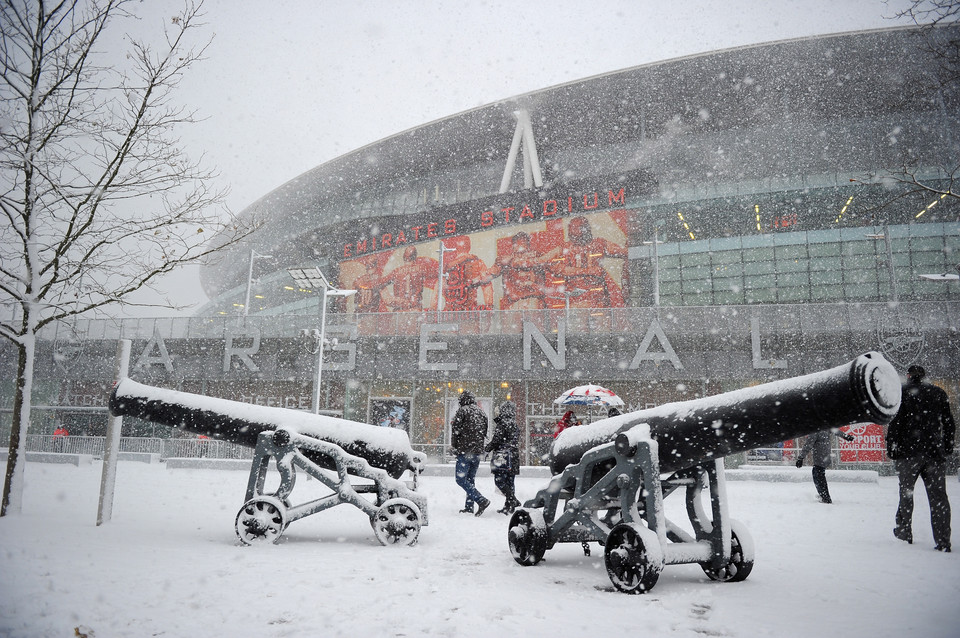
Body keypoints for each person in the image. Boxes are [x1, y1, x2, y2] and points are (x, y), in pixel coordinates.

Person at [886, 364, 955, 552]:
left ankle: (904, 531)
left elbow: (895, 423)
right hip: (934, 453)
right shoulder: (938, 393)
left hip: (908, 453)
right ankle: (943, 540)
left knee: (906, 493)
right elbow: (948, 422)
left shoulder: (901, 393)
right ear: (924, 376)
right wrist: (947, 445)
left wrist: (891, 446)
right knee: (939, 498)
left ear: (908, 376)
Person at [450, 390, 491, 516]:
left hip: (465, 450)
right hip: (477, 452)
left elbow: (455, 431)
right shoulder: (482, 413)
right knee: (470, 479)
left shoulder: (462, 411)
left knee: (460, 479)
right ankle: (469, 507)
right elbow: (484, 432)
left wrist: (455, 447)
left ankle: (481, 500)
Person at [796, 428, 855, 503]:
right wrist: (845, 436)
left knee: (818, 476)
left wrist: (801, 458)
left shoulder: (815, 430)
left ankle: (825, 497)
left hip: (820, 457)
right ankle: (824, 495)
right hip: (826, 456)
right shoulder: (825, 427)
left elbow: (808, 445)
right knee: (819, 475)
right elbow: (835, 430)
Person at [485, 400, 521, 515]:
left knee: (499, 480)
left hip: (503, 455)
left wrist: (487, 448)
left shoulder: (503, 423)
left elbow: (497, 440)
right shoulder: (514, 424)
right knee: (510, 481)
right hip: (513, 455)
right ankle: (509, 507)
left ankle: (512, 500)